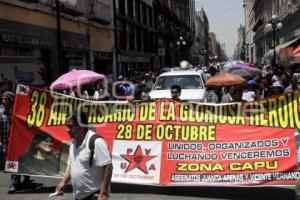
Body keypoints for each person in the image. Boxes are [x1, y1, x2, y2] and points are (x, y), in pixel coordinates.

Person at [56, 112, 112, 200]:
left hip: (94, 196)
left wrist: (103, 193)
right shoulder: (73, 143)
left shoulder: (96, 141)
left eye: (70, 126)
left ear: (81, 126)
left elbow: (108, 167)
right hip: (79, 196)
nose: (67, 129)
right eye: (67, 126)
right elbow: (73, 165)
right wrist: (64, 182)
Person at [0, 91, 31, 193]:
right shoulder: (0, 112)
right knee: (12, 162)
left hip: (18, 141)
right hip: (6, 142)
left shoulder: (18, 112)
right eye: (3, 99)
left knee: (22, 161)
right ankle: (15, 182)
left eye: (6, 99)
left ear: (11, 100)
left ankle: (24, 179)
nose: (3, 101)